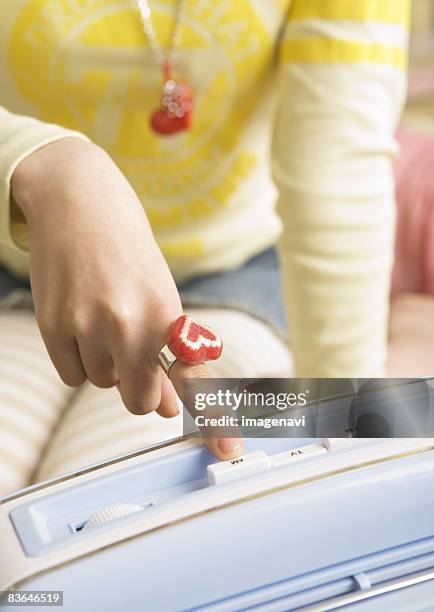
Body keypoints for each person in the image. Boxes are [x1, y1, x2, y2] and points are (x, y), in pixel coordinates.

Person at [0, 0, 430, 496]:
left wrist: (343, 416)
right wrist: (49, 168)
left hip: (234, 277)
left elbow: (337, 158)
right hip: (17, 276)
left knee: (134, 501)